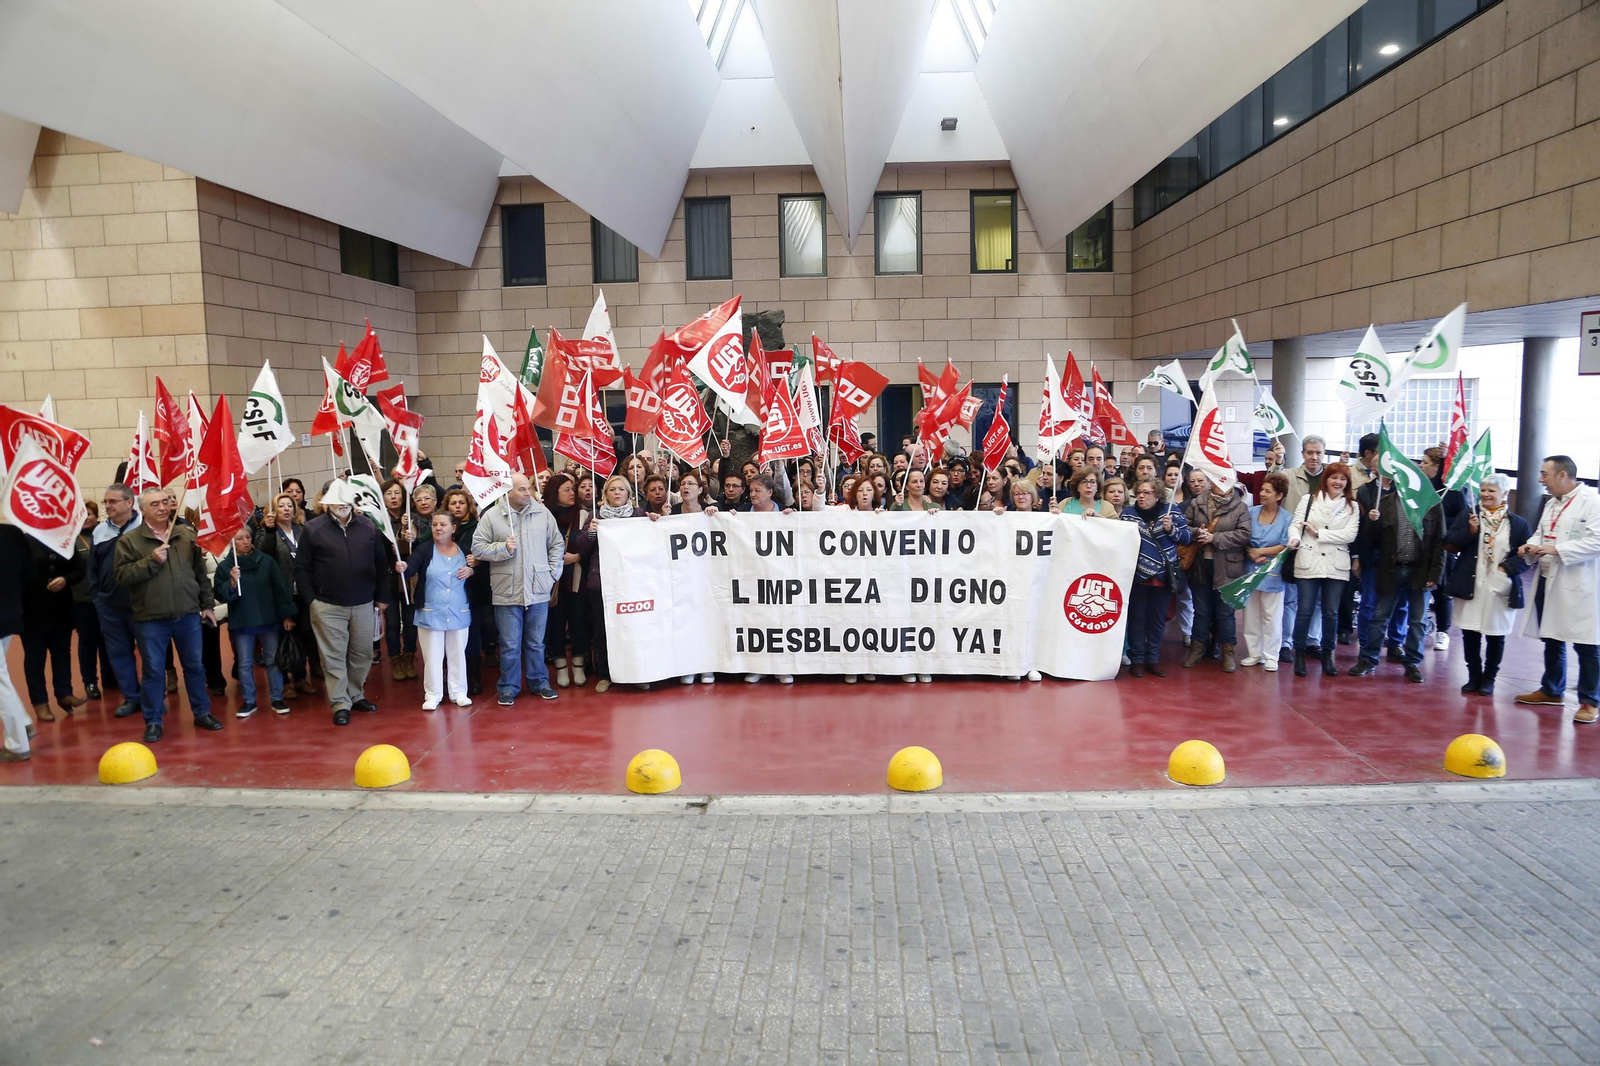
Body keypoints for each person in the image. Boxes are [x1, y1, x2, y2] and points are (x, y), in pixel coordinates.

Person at [114, 488, 223, 743]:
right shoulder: (129, 541)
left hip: (188, 614)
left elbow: (199, 573)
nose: (163, 508)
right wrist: (151, 561)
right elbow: (121, 576)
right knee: (153, 671)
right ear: (142, 509)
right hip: (151, 619)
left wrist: (207, 605)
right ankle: (153, 720)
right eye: (155, 504)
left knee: (195, 667)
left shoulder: (185, 534)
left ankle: (202, 712)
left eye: (165, 502)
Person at [297, 480, 396, 726]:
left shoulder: (368, 526)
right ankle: (340, 703)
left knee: (363, 654)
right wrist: (311, 601)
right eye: (336, 498)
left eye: (346, 498)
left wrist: (383, 597)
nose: (342, 503)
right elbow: (302, 568)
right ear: (326, 501)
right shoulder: (313, 529)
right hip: (327, 605)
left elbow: (381, 565)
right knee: (333, 657)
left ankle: (356, 695)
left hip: (363, 603)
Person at [1515, 455, 1600, 723]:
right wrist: (1531, 545)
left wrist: (1558, 549)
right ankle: (1552, 689)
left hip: (1579, 583)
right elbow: (1541, 533)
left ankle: (1590, 700)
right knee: (1551, 636)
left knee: (1586, 643)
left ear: (1562, 475)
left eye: (1545, 474)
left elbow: (1597, 541)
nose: (1541, 479)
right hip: (1547, 578)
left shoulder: (1592, 501)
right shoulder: (1553, 503)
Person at [1348, 461, 1447, 683]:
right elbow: (1371, 539)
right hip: (1390, 569)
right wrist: (1372, 522)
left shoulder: (1432, 505)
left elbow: (1440, 541)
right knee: (1379, 616)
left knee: (1418, 620)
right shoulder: (1386, 502)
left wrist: (1435, 574)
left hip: (1420, 571)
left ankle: (1412, 663)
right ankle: (1368, 659)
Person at [474, 473, 565, 706]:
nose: (527, 493)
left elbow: (556, 544)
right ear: (507, 492)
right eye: (521, 489)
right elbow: (478, 548)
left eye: (528, 488)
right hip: (507, 589)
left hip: (538, 587)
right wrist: (503, 548)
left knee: (536, 642)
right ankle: (508, 687)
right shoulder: (492, 516)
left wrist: (552, 574)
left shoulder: (543, 513)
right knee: (510, 645)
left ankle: (539, 682)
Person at [574, 474, 665, 692]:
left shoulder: (638, 514)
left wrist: (655, 521)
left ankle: (637, 673)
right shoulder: (596, 516)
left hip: (632, 583)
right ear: (605, 494)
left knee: (634, 628)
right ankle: (606, 675)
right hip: (602, 582)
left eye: (621, 489)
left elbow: (653, 542)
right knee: (604, 630)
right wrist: (591, 532)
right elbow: (581, 547)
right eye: (612, 489)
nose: (617, 493)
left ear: (628, 494)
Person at [1444, 474, 1531, 696]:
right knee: (1470, 633)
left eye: (1491, 490)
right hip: (1470, 583)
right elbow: (1449, 543)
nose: (1485, 494)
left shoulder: (1518, 524)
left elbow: (1528, 555)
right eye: (1483, 490)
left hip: (1499, 587)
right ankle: (1473, 676)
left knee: (1496, 635)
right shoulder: (1469, 515)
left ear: (1504, 493)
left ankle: (1489, 678)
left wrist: (1505, 569)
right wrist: (1470, 531)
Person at [213, 525, 296, 718]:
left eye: (248, 537)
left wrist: (287, 615)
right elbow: (220, 594)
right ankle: (249, 701)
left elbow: (280, 589)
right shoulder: (226, 567)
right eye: (240, 539)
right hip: (242, 620)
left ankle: (277, 697)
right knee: (244, 663)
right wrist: (232, 583)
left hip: (268, 617)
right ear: (232, 543)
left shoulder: (266, 561)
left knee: (273, 659)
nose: (245, 542)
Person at [1286, 461, 1359, 678]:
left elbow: (1350, 535)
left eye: (1343, 479)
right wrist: (1294, 538)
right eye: (1334, 477)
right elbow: (1296, 524)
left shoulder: (1352, 506)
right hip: (1308, 558)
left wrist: (1319, 534)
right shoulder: (1308, 499)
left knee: (1331, 612)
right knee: (1304, 610)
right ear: (1325, 479)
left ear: (1347, 483)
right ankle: (1299, 653)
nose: (1338, 482)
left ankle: (1328, 655)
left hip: (1336, 563)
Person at [1181, 472, 1249, 673]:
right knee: (1201, 611)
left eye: (1224, 481)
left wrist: (1214, 538)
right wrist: (1197, 533)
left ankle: (1227, 652)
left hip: (1228, 567)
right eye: (1216, 481)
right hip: (1200, 564)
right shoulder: (1197, 503)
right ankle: (1196, 649)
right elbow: (1184, 526)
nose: (1220, 484)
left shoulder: (1240, 507)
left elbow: (1244, 534)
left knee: (1225, 612)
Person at [1121, 478, 1190, 676]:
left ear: (1158, 495)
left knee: (1157, 619)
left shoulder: (1171, 511)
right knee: (1137, 618)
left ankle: (1153, 659)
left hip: (1164, 575)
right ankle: (1137, 660)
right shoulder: (1128, 514)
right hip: (1137, 575)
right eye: (1139, 492)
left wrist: (1171, 529)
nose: (1141, 496)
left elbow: (1187, 537)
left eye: (1147, 492)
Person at [255, 492, 321, 697]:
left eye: (289, 505)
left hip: (302, 591)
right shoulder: (267, 532)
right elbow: (264, 554)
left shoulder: (302, 530)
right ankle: (284, 681)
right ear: (273, 510)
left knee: (302, 635)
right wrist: (268, 530)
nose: (286, 509)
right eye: (281, 505)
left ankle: (300, 677)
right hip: (280, 593)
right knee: (282, 637)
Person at [88, 484, 145, 718]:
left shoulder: (144, 526)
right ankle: (132, 698)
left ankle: (152, 698)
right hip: (109, 606)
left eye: (112, 501)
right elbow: (93, 567)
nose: (107, 506)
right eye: (106, 502)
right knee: (119, 653)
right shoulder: (100, 531)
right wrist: (97, 596)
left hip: (142, 604)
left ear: (129, 503)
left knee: (151, 653)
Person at [409, 510, 475, 710]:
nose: (438, 528)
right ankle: (432, 695)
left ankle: (459, 692)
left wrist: (472, 570)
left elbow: (479, 572)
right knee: (432, 656)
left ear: (453, 528)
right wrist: (403, 566)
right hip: (430, 612)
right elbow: (411, 567)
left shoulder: (464, 551)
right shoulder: (424, 550)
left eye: (443, 525)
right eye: (435, 524)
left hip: (458, 611)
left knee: (458, 654)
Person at [21, 530, 85, 724]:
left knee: (62, 652)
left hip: (60, 609)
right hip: (32, 611)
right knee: (35, 657)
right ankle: (40, 702)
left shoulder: (65, 539)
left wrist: (66, 579)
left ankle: (65, 693)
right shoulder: (23, 541)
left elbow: (79, 569)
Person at [443, 487, 493, 694]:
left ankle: (473, 675)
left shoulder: (478, 528)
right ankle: (450, 675)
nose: (457, 507)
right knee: (448, 634)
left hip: (473, 589)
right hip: (446, 590)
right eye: (453, 503)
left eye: (461, 503)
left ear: (468, 506)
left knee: (472, 633)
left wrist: (479, 560)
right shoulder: (441, 527)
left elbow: (489, 554)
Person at [1239, 472, 1291, 671]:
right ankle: (1254, 653)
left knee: (1271, 615)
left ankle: (1271, 655)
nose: (1262, 494)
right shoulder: (1251, 512)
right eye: (1262, 489)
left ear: (1279, 495)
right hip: (1251, 568)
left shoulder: (1287, 518)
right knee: (1251, 614)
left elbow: (1285, 545)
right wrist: (1250, 552)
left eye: (1268, 491)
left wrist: (1260, 552)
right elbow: (1242, 536)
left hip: (1272, 570)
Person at [1418, 446, 1468, 651]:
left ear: (1437, 467)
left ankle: (1443, 631)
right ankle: (1416, 629)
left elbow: (1462, 519)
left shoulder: (1454, 491)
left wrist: (1438, 521)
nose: (1421, 465)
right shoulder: (1422, 488)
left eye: (1425, 462)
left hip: (1443, 548)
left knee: (1442, 590)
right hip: (1421, 547)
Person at [541, 474, 587, 690]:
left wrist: (577, 557)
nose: (572, 493)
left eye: (572, 489)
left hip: (577, 578)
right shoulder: (543, 516)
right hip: (552, 580)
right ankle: (560, 667)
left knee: (578, 621)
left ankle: (578, 665)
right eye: (566, 489)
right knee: (556, 623)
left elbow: (592, 545)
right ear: (555, 492)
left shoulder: (583, 514)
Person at [70, 501, 113, 702]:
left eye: (89, 514)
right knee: (87, 641)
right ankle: (90, 682)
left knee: (108, 639)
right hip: (83, 599)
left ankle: (110, 678)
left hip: (107, 598)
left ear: (96, 515)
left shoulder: (106, 534)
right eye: (82, 514)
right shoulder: (71, 540)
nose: (86, 518)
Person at [0, 523, 34, 763]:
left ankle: (17, 744)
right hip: (11, 613)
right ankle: (23, 722)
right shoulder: (12, 533)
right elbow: (28, 575)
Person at [381, 479, 417, 681]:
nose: (393, 497)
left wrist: (406, 531)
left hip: (408, 577)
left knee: (411, 622)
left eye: (397, 493)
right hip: (388, 577)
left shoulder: (411, 517)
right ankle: (395, 658)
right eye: (389, 493)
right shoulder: (378, 520)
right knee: (393, 623)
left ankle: (409, 656)